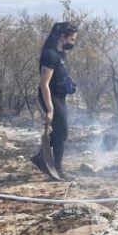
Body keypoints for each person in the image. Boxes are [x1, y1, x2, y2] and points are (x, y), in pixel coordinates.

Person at [30, 22, 78, 180]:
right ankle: (57, 171)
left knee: (60, 133)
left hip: (59, 97)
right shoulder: (50, 55)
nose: (73, 43)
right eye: (71, 39)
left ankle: (40, 157)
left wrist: (68, 83)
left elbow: (59, 74)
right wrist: (50, 109)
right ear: (62, 36)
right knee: (62, 131)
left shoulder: (60, 54)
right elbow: (44, 84)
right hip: (51, 98)